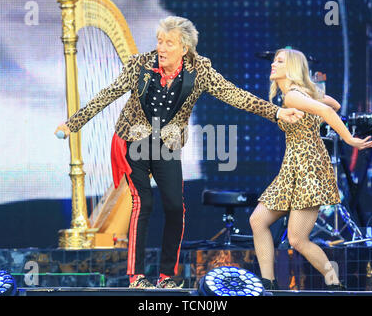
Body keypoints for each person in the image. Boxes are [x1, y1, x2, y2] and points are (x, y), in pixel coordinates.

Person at [55, 16, 304, 289]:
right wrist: (73, 123)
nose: (161, 47)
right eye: (160, 41)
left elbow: (236, 95)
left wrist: (277, 111)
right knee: (144, 203)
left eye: (169, 43)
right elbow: (108, 94)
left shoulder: (200, 71)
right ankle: (136, 276)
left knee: (175, 207)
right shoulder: (141, 65)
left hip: (166, 144)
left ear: (184, 48)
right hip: (134, 141)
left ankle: (166, 276)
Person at [249, 48, 372, 291]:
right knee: (259, 220)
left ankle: (334, 283)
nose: (273, 64)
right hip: (294, 167)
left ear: (292, 68)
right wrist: (314, 94)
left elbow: (330, 110)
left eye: (280, 61)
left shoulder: (293, 97)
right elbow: (334, 103)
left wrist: (349, 139)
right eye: (274, 60)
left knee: (296, 238)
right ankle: (268, 284)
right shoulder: (299, 94)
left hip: (307, 168)